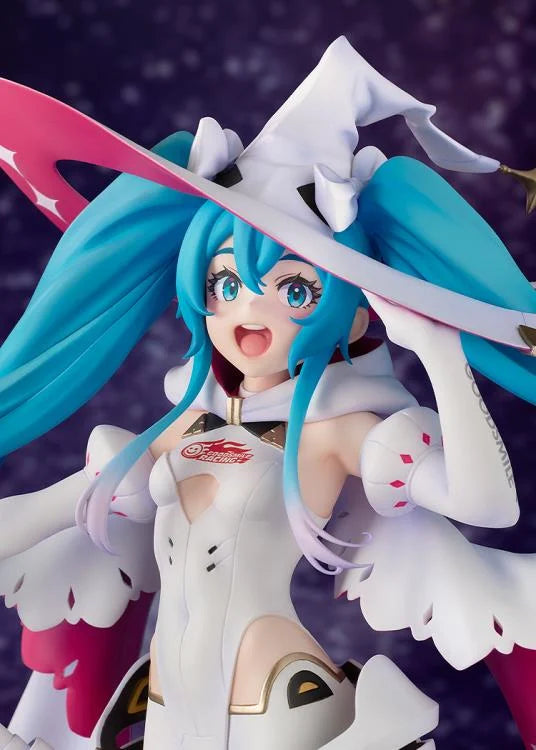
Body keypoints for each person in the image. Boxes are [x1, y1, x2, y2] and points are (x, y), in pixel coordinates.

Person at [0, 36, 535, 750]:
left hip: (275, 703)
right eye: (226, 283)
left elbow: (489, 506)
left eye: (294, 290)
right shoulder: (175, 431)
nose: (248, 310)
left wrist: (442, 355)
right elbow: (31, 517)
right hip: (166, 703)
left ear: (351, 314)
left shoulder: (337, 433)